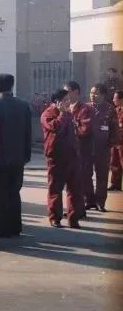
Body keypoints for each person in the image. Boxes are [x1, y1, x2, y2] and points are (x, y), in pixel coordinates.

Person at [0, 74, 33, 237]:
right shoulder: (23, 105)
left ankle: (0, 227)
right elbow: (28, 133)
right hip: (18, 157)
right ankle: (14, 226)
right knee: (13, 192)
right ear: (12, 86)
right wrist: (26, 155)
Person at [41, 88, 82, 228]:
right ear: (56, 102)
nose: (67, 103)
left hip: (72, 156)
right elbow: (55, 127)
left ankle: (74, 218)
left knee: (74, 189)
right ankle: (55, 217)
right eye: (64, 101)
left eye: (68, 101)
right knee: (55, 189)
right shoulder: (47, 114)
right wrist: (63, 114)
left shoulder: (69, 114)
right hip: (56, 157)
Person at [86, 84, 119, 212]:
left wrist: (110, 143)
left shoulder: (110, 109)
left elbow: (114, 129)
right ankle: (89, 200)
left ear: (103, 95)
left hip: (103, 148)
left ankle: (100, 202)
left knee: (102, 176)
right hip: (87, 148)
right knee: (85, 174)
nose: (92, 95)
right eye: (91, 92)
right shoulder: (85, 107)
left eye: (96, 93)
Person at [65, 81, 93, 219]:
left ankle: (79, 211)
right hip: (68, 151)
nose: (66, 94)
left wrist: (71, 128)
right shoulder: (65, 107)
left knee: (79, 181)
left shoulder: (84, 109)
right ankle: (74, 210)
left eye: (68, 91)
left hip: (81, 150)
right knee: (71, 183)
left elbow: (84, 130)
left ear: (77, 92)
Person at [111, 90, 123, 191]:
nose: (113, 100)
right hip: (115, 141)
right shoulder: (116, 110)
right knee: (114, 162)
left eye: (115, 98)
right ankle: (115, 184)